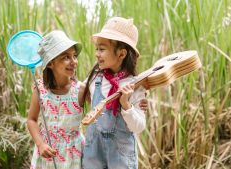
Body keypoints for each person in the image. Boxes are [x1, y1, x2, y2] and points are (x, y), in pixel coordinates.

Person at [82, 17, 147, 169]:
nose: (97, 54)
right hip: (93, 156)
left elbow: (139, 127)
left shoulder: (136, 85)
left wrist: (126, 105)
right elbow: (75, 92)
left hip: (121, 159)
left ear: (121, 54)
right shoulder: (94, 80)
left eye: (102, 49)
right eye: (97, 49)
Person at [27, 30, 85, 169]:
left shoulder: (80, 90)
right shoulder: (40, 89)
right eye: (66, 57)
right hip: (47, 152)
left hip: (73, 154)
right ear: (51, 63)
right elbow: (31, 120)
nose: (73, 62)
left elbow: (104, 101)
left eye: (74, 56)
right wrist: (40, 144)